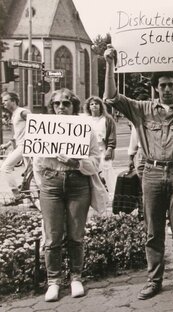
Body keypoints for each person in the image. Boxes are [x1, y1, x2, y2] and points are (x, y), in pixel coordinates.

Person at [103, 44, 173, 300]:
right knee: (153, 231)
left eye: (171, 84)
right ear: (156, 87)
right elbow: (111, 98)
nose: (167, 89)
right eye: (162, 85)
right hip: (152, 175)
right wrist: (110, 64)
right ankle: (154, 280)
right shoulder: (141, 109)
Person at [37, 88, 101, 302]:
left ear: (74, 106)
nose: (61, 107)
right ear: (52, 107)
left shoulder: (86, 129)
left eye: (66, 103)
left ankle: (76, 277)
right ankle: (54, 281)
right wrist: (44, 183)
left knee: (76, 235)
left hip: (77, 183)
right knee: (53, 236)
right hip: (51, 184)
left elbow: (95, 162)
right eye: (56, 104)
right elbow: (36, 162)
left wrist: (77, 163)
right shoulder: (43, 128)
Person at [0, 92, 31, 205]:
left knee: (5, 168)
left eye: (6, 100)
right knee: (30, 174)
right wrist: (8, 144)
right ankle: (32, 201)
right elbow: (17, 134)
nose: (3, 103)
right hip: (23, 146)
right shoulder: (14, 114)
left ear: (13, 101)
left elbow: (35, 122)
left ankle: (17, 195)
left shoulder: (22, 112)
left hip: (25, 146)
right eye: (3, 101)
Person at [84, 96, 116, 192]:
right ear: (89, 107)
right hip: (90, 149)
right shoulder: (86, 119)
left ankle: (112, 193)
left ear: (101, 106)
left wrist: (109, 149)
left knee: (107, 170)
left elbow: (111, 135)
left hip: (103, 149)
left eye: (96, 104)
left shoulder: (107, 119)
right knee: (93, 172)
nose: (94, 106)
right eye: (92, 104)